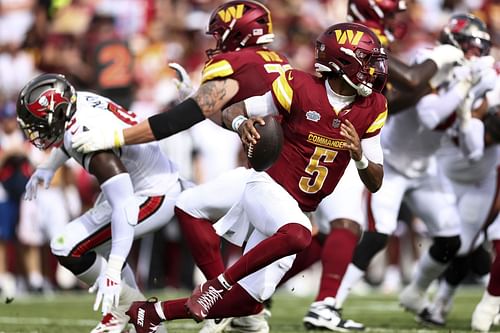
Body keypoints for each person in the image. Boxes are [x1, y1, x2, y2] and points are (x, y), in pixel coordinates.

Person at [122, 21, 388, 333]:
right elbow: (237, 109)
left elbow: (376, 180)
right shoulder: (299, 87)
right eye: (367, 61)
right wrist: (240, 124)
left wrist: (358, 156)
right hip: (267, 186)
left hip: (296, 208)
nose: (375, 69)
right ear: (342, 62)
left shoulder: (373, 107)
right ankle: (217, 284)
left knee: (248, 303)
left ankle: (151, 313)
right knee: (300, 235)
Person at [330, 13, 495, 327]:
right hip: (391, 162)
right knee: (378, 235)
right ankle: (330, 303)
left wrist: (471, 106)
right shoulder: (428, 60)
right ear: (454, 43)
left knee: (452, 240)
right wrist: (462, 89)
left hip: (426, 168)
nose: (476, 55)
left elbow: (468, 144)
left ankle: (417, 292)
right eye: (471, 47)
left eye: (480, 49)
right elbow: (430, 115)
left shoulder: (471, 77)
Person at [17, 73, 184, 333]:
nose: (35, 131)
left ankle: (127, 311)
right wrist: (50, 166)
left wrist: (113, 271)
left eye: (38, 122)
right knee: (101, 247)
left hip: (152, 194)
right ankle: (143, 321)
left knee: (65, 246)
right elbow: (70, 137)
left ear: (58, 113)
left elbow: (125, 205)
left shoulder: (87, 139)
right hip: (145, 181)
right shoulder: (79, 102)